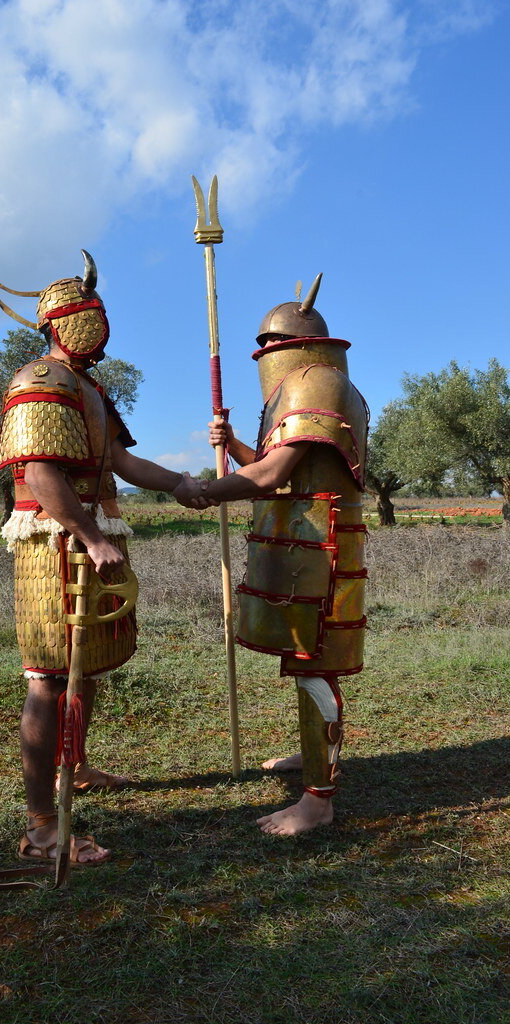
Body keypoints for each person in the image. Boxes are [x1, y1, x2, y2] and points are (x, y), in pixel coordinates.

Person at [0, 252, 187, 865]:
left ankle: (73, 765)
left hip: (91, 536)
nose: (94, 324)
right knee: (49, 676)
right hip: (54, 542)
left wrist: (183, 484)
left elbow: (122, 464)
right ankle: (44, 824)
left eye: (96, 313)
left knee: (85, 665)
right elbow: (42, 474)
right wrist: (92, 537)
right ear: (55, 323)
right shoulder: (39, 382)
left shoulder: (89, 389)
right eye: (82, 313)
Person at [175, 274, 369, 836]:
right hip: (303, 542)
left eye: (268, 344)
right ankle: (312, 763)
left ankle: (318, 799)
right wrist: (232, 444)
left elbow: (274, 474)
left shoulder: (318, 384)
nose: (263, 354)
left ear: (290, 346)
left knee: (317, 667)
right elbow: (283, 467)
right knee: (305, 662)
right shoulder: (306, 387)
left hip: (323, 544)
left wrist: (206, 489)